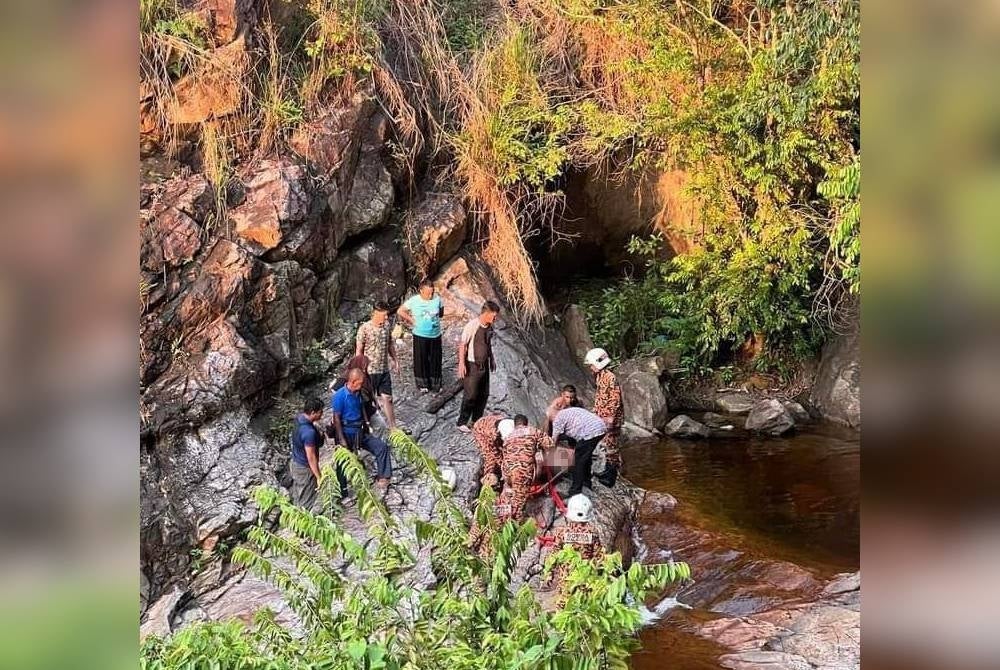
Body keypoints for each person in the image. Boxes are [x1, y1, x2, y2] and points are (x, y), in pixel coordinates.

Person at [331, 369, 393, 491]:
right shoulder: (339, 396)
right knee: (342, 462)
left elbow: (361, 407)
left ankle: (384, 477)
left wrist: (367, 423)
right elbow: (336, 419)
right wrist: (341, 439)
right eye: (359, 383)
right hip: (346, 431)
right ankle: (341, 490)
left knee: (381, 447)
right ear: (353, 382)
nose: (361, 385)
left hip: (360, 430)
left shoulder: (358, 393)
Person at [546, 494, 605, 607]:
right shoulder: (592, 533)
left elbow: (554, 554)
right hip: (585, 578)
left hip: (566, 580)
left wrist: (549, 574)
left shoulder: (562, 533)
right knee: (583, 608)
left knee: (563, 610)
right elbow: (599, 557)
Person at [355, 302, 400, 431]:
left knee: (388, 398)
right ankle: (365, 426)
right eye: (384, 315)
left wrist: (395, 360)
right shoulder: (364, 328)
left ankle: (393, 427)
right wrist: (359, 369)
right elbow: (359, 350)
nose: (386, 318)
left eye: (387, 315)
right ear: (375, 313)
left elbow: (390, 344)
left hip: (384, 369)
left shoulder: (387, 326)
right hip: (369, 371)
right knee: (367, 400)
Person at [456, 301, 500, 432]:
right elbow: (462, 344)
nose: (495, 319)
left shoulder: (489, 326)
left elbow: (488, 343)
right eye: (494, 316)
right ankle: (462, 422)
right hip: (472, 364)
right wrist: (462, 363)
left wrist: (491, 359)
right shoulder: (472, 326)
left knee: (484, 394)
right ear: (486, 314)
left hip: (484, 364)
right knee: (470, 394)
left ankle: (476, 420)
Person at [289, 397, 339, 510]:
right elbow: (311, 457)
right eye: (320, 412)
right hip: (305, 468)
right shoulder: (308, 432)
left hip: (295, 463)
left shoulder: (299, 419)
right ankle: (305, 521)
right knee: (307, 499)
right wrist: (318, 476)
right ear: (312, 412)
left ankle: (298, 515)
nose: (321, 415)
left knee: (299, 494)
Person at [501, 414, 554, 520]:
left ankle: (499, 514)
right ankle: (512, 524)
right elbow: (550, 444)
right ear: (526, 423)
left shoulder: (508, 437)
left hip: (507, 471)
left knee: (510, 494)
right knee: (519, 502)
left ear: (515, 425)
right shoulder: (533, 431)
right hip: (522, 471)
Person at [584, 348, 624, 487]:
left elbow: (614, 399)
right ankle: (607, 470)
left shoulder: (609, 377)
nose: (590, 367)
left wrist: (611, 417)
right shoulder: (600, 376)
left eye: (591, 364)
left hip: (610, 418)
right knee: (606, 445)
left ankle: (611, 476)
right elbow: (601, 398)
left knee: (612, 446)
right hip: (602, 416)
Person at [398, 279, 444, 393]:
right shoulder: (414, 300)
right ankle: (422, 384)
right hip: (420, 334)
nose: (430, 295)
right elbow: (401, 311)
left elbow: (441, 312)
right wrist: (411, 320)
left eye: (432, 293)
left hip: (435, 334)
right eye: (428, 293)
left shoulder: (437, 299)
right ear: (421, 291)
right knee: (421, 359)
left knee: (435, 359)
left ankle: (435, 383)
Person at [551, 406, 607, 497]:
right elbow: (572, 433)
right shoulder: (567, 412)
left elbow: (553, 442)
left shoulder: (557, 419)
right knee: (586, 456)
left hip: (591, 431)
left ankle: (575, 490)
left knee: (578, 461)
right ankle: (586, 482)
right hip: (600, 427)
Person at [472, 414, 510, 488]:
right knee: (493, 459)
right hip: (482, 431)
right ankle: (488, 478)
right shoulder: (493, 436)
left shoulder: (516, 429)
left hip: (498, 421)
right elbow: (491, 455)